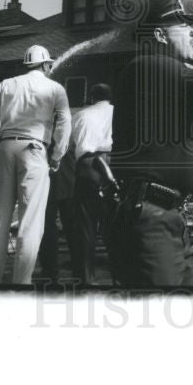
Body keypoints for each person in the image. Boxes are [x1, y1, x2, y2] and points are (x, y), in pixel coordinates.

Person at [109, 0, 193, 287]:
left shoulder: (165, 79)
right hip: (150, 220)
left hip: (166, 216)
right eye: (182, 25)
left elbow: (172, 146)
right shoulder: (150, 65)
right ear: (159, 34)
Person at [0, 44, 71, 285]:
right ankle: (21, 283)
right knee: (31, 221)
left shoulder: (9, 83)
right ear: (47, 65)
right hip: (34, 150)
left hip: (5, 147)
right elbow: (64, 122)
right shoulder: (55, 87)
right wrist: (57, 155)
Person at [69, 82, 115, 285]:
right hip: (113, 163)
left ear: (92, 97)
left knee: (85, 224)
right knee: (115, 222)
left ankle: (86, 278)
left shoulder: (80, 115)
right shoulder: (118, 113)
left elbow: (69, 145)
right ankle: (119, 275)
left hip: (87, 165)